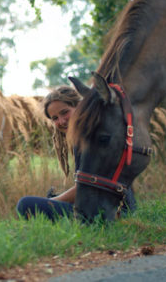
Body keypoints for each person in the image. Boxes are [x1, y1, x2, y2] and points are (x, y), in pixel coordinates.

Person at [16, 85, 136, 221]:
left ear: (80, 106)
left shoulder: (93, 138)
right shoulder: (86, 137)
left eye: (64, 112)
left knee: (26, 204)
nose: (61, 121)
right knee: (43, 201)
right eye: (55, 118)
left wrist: (55, 201)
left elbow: (86, 188)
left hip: (111, 213)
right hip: (103, 208)